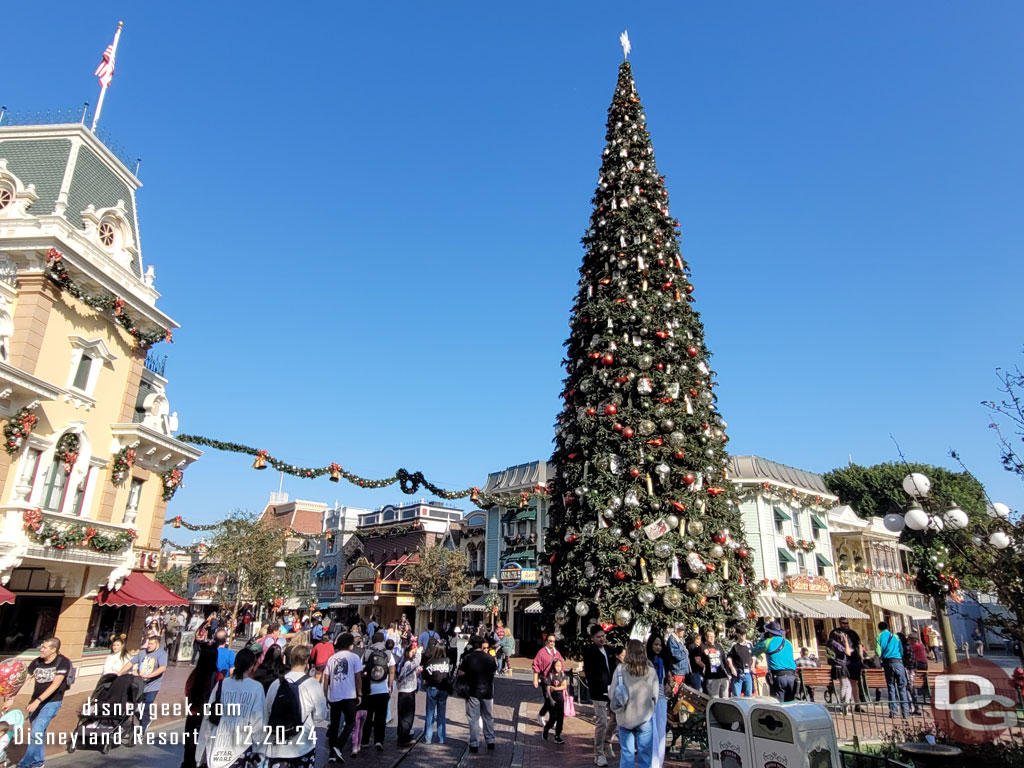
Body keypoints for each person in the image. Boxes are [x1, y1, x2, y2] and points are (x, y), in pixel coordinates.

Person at [198, 648, 266, 768]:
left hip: (217, 744)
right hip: (241, 747)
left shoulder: (221, 684)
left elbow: (208, 716)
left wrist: (200, 751)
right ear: (251, 666)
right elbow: (258, 722)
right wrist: (259, 750)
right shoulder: (256, 688)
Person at [265, 645, 327, 768]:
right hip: (303, 745)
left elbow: (267, 711)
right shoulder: (312, 684)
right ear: (306, 661)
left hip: (277, 746)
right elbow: (321, 716)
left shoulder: (276, 684)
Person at [16, 637, 72, 768]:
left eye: (44, 647)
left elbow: (55, 685)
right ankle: (38, 763)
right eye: (42, 647)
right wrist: (11, 697)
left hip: (52, 702)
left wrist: (38, 701)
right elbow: (24, 679)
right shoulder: (37, 661)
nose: (41, 649)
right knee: (38, 733)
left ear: (53, 650)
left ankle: (23, 764)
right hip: (36, 701)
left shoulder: (63, 662)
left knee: (36, 732)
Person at [610, 639, 659, 768]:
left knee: (627, 753)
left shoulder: (620, 669)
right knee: (645, 754)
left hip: (625, 718)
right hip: (645, 718)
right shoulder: (651, 671)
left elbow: (612, 694)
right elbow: (655, 696)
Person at [323, 632, 363, 764]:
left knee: (334, 725)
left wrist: (326, 695)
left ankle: (331, 754)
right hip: (349, 695)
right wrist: (359, 693)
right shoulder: (355, 658)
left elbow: (326, 678)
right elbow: (358, 677)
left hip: (335, 694)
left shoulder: (332, 659)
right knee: (350, 722)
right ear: (350, 645)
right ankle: (338, 746)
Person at [583, 624, 618, 767]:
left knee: (615, 718)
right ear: (593, 638)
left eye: (603, 636)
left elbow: (615, 668)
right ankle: (598, 754)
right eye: (598, 637)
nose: (602, 639)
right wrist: (599, 687)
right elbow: (590, 674)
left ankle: (607, 742)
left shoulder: (610, 650)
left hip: (612, 690)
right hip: (599, 693)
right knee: (602, 722)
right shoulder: (590, 652)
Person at [182, 644, 218, 768]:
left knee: (189, 750)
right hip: (207, 718)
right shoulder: (217, 676)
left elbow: (188, 692)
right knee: (203, 752)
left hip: (192, 715)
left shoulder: (194, 674)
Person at [459, 635, 497, 753]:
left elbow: (460, 673)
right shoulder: (490, 658)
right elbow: (493, 671)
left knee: (473, 718)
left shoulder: (468, 658)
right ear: (481, 646)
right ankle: (490, 741)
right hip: (487, 691)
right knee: (488, 717)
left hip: (473, 691)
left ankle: (474, 743)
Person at [360, 631, 394, 752]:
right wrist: (389, 686)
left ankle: (364, 741)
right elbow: (392, 671)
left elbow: (360, 669)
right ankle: (379, 741)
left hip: (369, 690)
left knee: (368, 717)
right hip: (383, 689)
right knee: (381, 716)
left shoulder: (367, 652)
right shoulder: (388, 654)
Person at [127, 633, 168, 731]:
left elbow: (162, 668)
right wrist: (120, 672)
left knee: (146, 706)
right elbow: (130, 663)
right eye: (148, 643)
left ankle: (142, 727)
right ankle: (146, 719)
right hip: (140, 684)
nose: (149, 646)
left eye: (152, 644)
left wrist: (149, 675)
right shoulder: (142, 653)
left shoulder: (161, 654)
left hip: (152, 686)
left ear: (157, 644)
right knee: (134, 706)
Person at [752, 622, 797, 702]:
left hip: (778, 676)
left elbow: (753, 651)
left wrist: (762, 640)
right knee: (791, 704)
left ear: (769, 632)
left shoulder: (767, 642)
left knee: (778, 704)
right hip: (792, 676)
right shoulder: (788, 642)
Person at [420, 641, 452, 745]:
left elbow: (424, 675)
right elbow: (449, 675)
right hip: (443, 689)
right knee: (441, 715)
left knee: (430, 714)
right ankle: (441, 738)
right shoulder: (447, 661)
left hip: (432, 688)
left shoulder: (430, 661)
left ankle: (428, 738)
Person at [876, 621, 910, 718]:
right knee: (902, 688)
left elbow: (878, 652)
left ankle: (893, 712)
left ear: (879, 628)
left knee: (891, 687)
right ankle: (905, 712)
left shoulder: (879, 637)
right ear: (887, 627)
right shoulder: (895, 636)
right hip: (898, 662)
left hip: (887, 663)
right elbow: (902, 651)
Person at [646, 634, 669, 768]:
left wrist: (669, 684)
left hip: (660, 699)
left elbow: (666, 679)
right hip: (648, 700)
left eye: (660, 645)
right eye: (655, 644)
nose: (658, 647)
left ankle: (658, 763)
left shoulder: (663, 661)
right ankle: (651, 763)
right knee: (650, 732)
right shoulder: (647, 662)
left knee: (660, 732)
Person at [532, 633, 564, 727]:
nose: (552, 643)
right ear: (546, 642)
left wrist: (561, 678)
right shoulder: (541, 653)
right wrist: (535, 679)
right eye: (550, 641)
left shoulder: (556, 653)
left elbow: (561, 665)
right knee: (549, 699)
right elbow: (536, 665)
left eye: (553, 641)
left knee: (552, 700)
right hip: (545, 680)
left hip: (555, 681)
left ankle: (542, 715)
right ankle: (549, 718)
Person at [836, 618, 865, 709]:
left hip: (854, 660)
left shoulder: (853, 633)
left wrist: (861, 658)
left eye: (847, 623)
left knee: (854, 682)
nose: (846, 624)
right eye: (843, 623)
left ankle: (857, 704)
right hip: (844, 660)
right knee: (845, 682)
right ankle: (845, 705)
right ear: (840, 623)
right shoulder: (836, 633)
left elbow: (859, 645)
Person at [395, 644, 421, 747]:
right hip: (407, 692)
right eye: (412, 652)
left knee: (404, 715)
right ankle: (403, 738)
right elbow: (415, 664)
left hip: (407, 690)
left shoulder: (404, 662)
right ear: (407, 652)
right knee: (407, 715)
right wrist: (418, 653)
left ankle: (402, 735)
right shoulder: (406, 663)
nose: (413, 654)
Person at [827, 625, 854, 707]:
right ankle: (844, 704)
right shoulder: (836, 644)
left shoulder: (829, 644)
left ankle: (844, 703)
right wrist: (846, 642)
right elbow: (848, 653)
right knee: (845, 685)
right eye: (842, 637)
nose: (843, 638)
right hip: (840, 665)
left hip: (835, 665)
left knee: (845, 685)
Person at [542, 658, 568, 744]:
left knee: (560, 717)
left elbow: (564, 686)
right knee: (553, 717)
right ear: (553, 666)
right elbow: (548, 689)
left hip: (560, 699)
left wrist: (556, 688)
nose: (558, 667)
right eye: (557, 665)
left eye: (560, 666)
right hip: (552, 699)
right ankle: (546, 728)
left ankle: (557, 736)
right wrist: (550, 699)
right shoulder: (550, 675)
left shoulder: (562, 675)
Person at [698, 630, 729, 698]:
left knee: (725, 698)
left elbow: (724, 660)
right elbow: (700, 657)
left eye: (713, 636)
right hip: (712, 677)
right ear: (706, 637)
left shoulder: (718, 646)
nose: (712, 638)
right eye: (710, 637)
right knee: (714, 698)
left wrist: (728, 673)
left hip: (723, 676)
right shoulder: (703, 647)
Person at [727, 626, 754, 698]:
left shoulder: (749, 644)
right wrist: (732, 668)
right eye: (741, 635)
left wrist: (753, 664)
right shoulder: (734, 645)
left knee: (748, 694)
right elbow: (729, 657)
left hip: (748, 672)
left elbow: (754, 655)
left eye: (744, 635)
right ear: (738, 635)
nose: (743, 637)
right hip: (738, 673)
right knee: (736, 695)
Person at [665, 623, 690, 691]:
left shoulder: (679, 640)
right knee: (675, 692)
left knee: (680, 692)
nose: (683, 632)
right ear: (676, 630)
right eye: (681, 630)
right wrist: (685, 652)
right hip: (677, 671)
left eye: (683, 630)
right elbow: (676, 655)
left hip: (681, 671)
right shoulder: (672, 640)